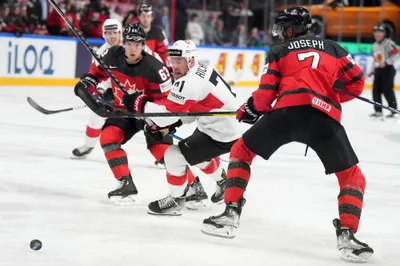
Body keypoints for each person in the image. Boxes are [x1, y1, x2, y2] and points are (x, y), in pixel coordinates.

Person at [201, 7, 374, 263]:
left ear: (290, 29)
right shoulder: (335, 48)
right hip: (324, 118)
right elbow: (357, 83)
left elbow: (265, 95)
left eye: (282, 28)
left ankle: (230, 213)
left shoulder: (279, 51)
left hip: (286, 115)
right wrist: (332, 95)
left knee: (241, 151)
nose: (279, 33)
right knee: (352, 177)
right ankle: (348, 235)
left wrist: (251, 108)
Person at [122, 40, 240, 215]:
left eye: (180, 62)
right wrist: (174, 124)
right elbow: (191, 109)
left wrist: (139, 103)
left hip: (219, 134)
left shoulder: (189, 82)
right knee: (196, 155)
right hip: (218, 128)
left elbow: (163, 117)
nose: (174, 66)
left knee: (173, 156)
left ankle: (177, 201)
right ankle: (223, 181)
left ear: (191, 60)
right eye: (173, 61)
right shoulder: (201, 70)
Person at [73, 24, 180, 205]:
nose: (132, 48)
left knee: (161, 151)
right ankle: (125, 183)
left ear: (143, 45)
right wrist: (88, 83)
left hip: (149, 114)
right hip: (125, 112)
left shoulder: (155, 67)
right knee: (107, 138)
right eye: (129, 44)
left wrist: (154, 117)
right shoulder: (111, 55)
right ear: (124, 43)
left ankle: (193, 187)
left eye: (137, 44)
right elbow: (97, 73)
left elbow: (166, 101)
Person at [72, 18, 122, 159]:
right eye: (108, 33)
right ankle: (88, 146)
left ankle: (164, 156)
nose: (112, 36)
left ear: (120, 32)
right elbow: (98, 76)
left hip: (136, 90)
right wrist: (100, 90)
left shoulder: (131, 45)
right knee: (96, 114)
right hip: (115, 91)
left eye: (115, 32)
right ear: (103, 34)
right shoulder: (101, 53)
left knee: (151, 121)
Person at [369, 23, 400, 119]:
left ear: (384, 34)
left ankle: (394, 110)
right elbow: (375, 59)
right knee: (376, 91)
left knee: (387, 90)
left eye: (380, 32)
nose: (377, 34)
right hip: (378, 70)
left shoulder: (388, 43)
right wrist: (372, 70)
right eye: (376, 32)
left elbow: (397, 53)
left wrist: (387, 62)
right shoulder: (374, 45)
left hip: (388, 69)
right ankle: (378, 111)